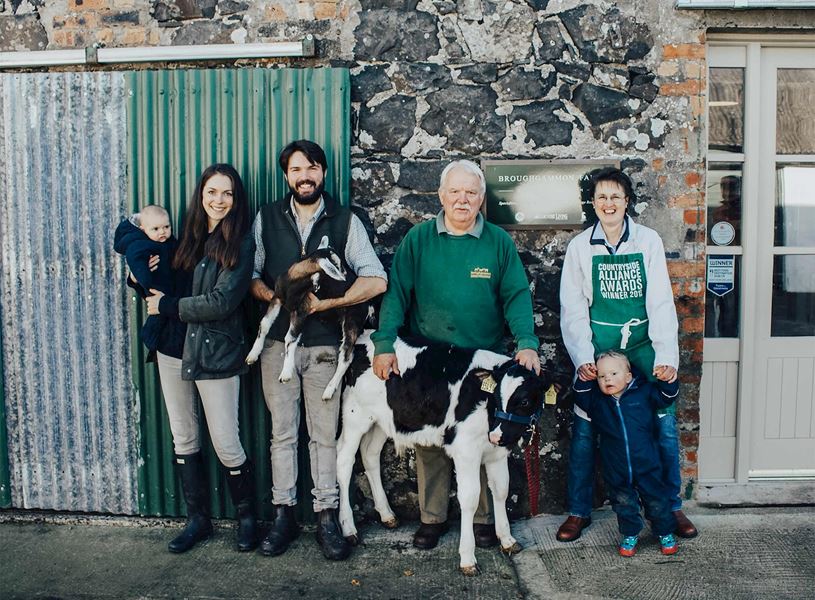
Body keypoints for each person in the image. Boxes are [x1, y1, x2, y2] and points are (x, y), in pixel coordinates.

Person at [370, 159, 540, 551]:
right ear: (441, 196)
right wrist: (383, 344)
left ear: (482, 199)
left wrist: (527, 342)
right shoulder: (419, 239)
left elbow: (516, 295)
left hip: (482, 363)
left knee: (480, 437)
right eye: (455, 192)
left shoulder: (497, 242)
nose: (463, 200)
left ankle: (482, 520)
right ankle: (432, 518)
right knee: (430, 438)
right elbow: (397, 293)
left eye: (471, 193)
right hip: (430, 361)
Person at [250, 139, 387, 561]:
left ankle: (327, 516)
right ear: (286, 175)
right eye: (295, 169)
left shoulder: (345, 221)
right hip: (279, 349)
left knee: (324, 436)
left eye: (311, 168)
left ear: (323, 173)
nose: (304, 176)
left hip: (327, 346)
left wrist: (329, 303)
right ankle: (283, 515)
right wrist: (275, 298)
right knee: (282, 434)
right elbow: (253, 275)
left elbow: (376, 279)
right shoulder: (267, 218)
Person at [558, 166, 697, 542]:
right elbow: (572, 308)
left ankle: (671, 506)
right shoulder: (579, 247)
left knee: (663, 430)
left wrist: (666, 356)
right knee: (586, 432)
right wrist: (583, 357)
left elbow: (661, 302)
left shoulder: (647, 242)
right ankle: (578, 510)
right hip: (600, 356)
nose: (608, 203)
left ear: (627, 201)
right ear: (593, 202)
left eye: (615, 196)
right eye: (601, 196)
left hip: (644, 349)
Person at [142, 163, 259, 553]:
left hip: (216, 352)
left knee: (226, 440)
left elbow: (223, 301)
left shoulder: (241, 243)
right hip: (173, 350)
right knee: (184, 436)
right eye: (212, 192)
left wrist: (168, 305)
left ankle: (247, 518)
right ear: (201, 194)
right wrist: (140, 275)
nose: (219, 200)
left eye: (227, 193)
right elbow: (153, 279)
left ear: (236, 198)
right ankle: (198, 520)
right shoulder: (184, 237)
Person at [573, 351, 679, 557]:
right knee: (623, 503)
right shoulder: (598, 401)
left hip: (648, 462)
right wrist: (584, 379)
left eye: (613, 373)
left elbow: (666, 397)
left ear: (628, 376)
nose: (607, 379)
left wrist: (669, 380)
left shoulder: (644, 393)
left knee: (657, 499)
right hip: (616, 467)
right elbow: (581, 397)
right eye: (602, 376)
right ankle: (630, 533)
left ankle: (664, 531)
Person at [114, 204, 177, 353]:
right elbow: (136, 262)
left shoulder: (168, 242)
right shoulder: (140, 245)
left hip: (169, 288)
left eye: (166, 227)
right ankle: (150, 337)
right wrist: (143, 280)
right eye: (155, 229)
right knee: (158, 317)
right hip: (154, 286)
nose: (162, 232)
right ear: (143, 230)